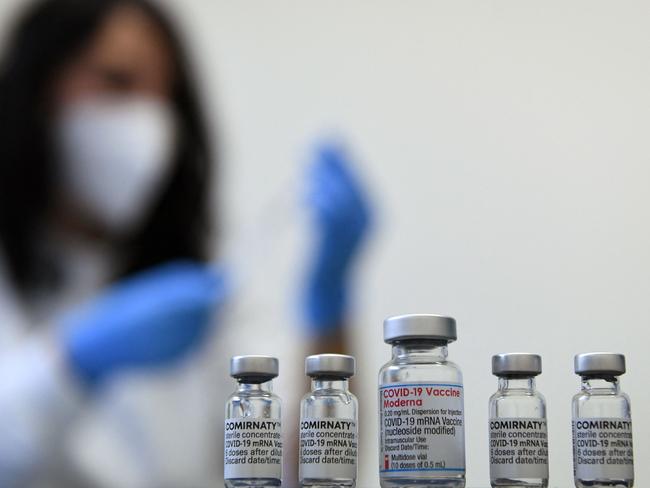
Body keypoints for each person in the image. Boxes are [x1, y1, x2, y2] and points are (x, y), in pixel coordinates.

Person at [0, 0, 372, 486]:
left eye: (165, 97)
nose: (148, 122)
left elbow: (301, 472)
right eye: (117, 80)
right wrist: (72, 360)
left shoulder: (203, 297)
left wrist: (330, 305)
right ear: (39, 89)